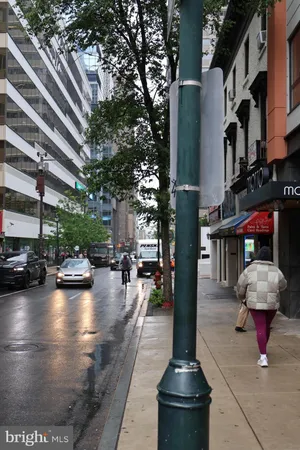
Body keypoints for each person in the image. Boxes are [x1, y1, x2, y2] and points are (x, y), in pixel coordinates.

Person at [236, 246, 287, 367]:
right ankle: (263, 350)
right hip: (272, 304)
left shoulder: (249, 270)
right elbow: (284, 285)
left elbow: (240, 286)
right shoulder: (276, 271)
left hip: (254, 304)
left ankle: (263, 357)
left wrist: (241, 298)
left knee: (260, 327)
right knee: (266, 327)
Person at [235, 252, 256, 332]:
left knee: (244, 309)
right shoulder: (251, 272)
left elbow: (241, 284)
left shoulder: (247, 270)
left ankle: (239, 325)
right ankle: (239, 325)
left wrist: (241, 296)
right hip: (249, 294)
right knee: (245, 309)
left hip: (247, 294)